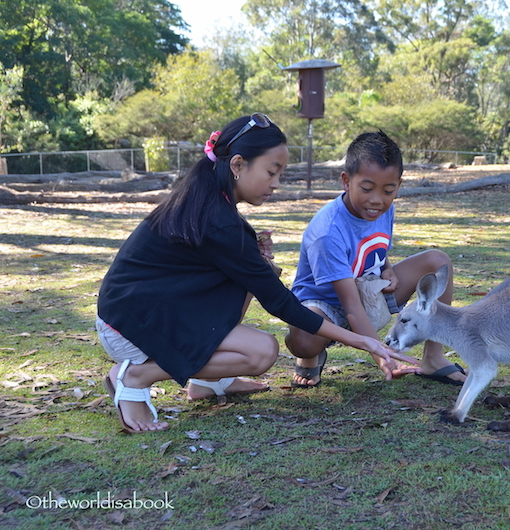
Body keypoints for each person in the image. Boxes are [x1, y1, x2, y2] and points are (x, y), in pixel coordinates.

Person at [96, 114, 416, 434]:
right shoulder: (218, 220)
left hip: (147, 310)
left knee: (247, 284)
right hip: (128, 326)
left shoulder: (210, 199)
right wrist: (362, 341)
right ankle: (136, 377)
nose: (276, 183)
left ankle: (210, 382)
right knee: (262, 352)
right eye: (271, 172)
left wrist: (254, 256)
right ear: (237, 165)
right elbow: (282, 304)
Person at [285, 131, 467, 387]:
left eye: (388, 190)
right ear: (346, 181)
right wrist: (383, 356)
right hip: (324, 304)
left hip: (367, 290)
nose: (377, 200)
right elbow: (350, 306)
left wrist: (387, 267)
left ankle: (434, 358)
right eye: (367, 188)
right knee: (305, 340)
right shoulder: (327, 232)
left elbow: (371, 246)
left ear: (398, 186)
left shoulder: (384, 209)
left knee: (438, 262)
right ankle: (312, 355)